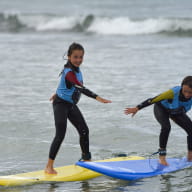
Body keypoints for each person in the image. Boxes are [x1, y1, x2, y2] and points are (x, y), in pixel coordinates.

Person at [45, 42, 111, 174]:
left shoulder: (76, 70)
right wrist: (98, 97)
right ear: (69, 56)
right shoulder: (69, 72)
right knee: (60, 134)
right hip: (61, 105)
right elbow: (78, 86)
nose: (79, 60)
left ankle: (86, 160)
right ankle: (49, 166)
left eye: (81, 57)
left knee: (84, 130)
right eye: (75, 57)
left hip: (70, 104)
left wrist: (57, 92)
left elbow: (65, 84)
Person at [124, 76, 192, 166]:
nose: (187, 94)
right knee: (166, 127)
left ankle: (190, 157)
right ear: (181, 87)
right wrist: (137, 108)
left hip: (175, 111)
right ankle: (162, 158)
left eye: (190, 92)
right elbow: (153, 100)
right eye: (185, 91)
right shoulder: (172, 93)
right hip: (161, 108)